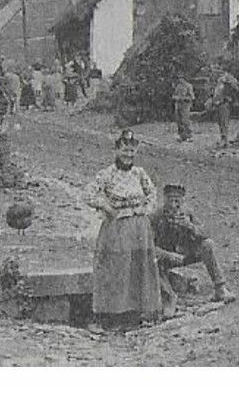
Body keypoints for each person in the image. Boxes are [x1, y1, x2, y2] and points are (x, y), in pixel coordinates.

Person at [84, 130, 163, 329]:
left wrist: (145, 209)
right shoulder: (107, 174)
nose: (128, 155)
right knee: (117, 268)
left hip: (139, 228)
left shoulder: (139, 173)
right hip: (117, 228)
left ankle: (137, 313)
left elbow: (152, 193)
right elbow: (88, 194)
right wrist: (105, 206)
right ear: (117, 150)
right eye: (124, 150)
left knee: (138, 267)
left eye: (132, 151)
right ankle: (112, 315)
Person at [151, 182, 236, 305]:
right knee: (151, 263)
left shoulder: (187, 213)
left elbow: (206, 233)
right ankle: (168, 297)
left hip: (185, 253)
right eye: (170, 200)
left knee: (207, 245)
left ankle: (220, 288)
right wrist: (168, 255)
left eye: (177, 201)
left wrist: (190, 226)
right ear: (164, 199)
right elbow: (148, 247)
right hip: (165, 257)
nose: (174, 205)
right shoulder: (156, 216)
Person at [205, 66, 239, 148]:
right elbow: (216, 92)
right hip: (219, 103)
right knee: (220, 121)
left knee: (224, 121)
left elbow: (236, 88)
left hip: (224, 102)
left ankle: (224, 140)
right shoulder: (219, 80)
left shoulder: (227, 78)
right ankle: (223, 139)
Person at [171, 75, 196, 142]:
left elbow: (192, 97)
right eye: (179, 78)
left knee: (185, 121)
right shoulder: (178, 86)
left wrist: (182, 98)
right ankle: (181, 136)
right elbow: (174, 95)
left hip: (185, 105)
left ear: (184, 79)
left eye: (181, 78)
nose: (180, 80)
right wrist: (175, 97)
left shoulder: (188, 86)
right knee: (179, 121)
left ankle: (189, 135)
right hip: (178, 105)